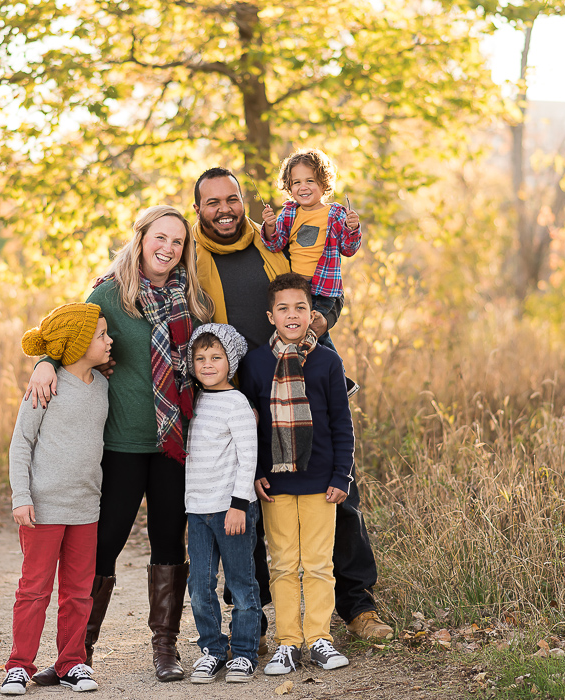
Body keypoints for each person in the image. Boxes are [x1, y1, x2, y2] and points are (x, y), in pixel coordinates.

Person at [191, 167, 394, 643]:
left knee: (339, 493)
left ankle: (358, 606)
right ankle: (255, 616)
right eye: (212, 202)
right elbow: (135, 272)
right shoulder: (191, 258)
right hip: (240, 395)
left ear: (243, 200)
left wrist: (321, 322)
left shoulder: (272, 238)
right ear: (198, 208)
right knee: (249, 503)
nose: (224, 209)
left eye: (231, 199)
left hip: (306, 381)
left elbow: (324, 284)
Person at [24, 205, 214, 684]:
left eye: (177, 242)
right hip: (122, 443)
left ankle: (165, 649)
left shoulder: (191, 299)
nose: (168, 248)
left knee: (169, 541)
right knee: (102, 545)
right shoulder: (109, 294)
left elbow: (212, 352)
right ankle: (77, 652)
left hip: (174, 442)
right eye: (160, 238)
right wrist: (44, 362)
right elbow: (69, 331)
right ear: (141, 237)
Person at [239, 273, 354, 675]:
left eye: (301, 308)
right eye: (284, 308)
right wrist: (253, 472)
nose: (292, 315)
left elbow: (342, 422)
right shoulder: (254, 363)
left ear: (312, 314)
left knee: (319, 564)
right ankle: (288, 642)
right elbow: (248, 426)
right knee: (284, 564)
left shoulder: (327, 360)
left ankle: (319, 638)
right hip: (276, 483)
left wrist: (342, 475)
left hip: (322, 482)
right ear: (271, 316)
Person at [1, 303, 113, 695]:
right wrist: (21, 496)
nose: (109, 340)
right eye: (101, 335)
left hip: (86, 508)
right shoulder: (45, 385)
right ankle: (19, 665)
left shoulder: (102, 387)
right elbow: (21, 444)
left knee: (79, 593)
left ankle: (72, 663)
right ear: (79, 343)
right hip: (43, 509)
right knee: (34, 590)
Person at [183, 323, 261, 684]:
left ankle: (244, 652)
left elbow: (248, 457)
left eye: (216, 357)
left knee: (241, 584)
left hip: (231, 510)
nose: (208, 364)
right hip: (197, 511)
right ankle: (213, 649)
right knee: (199, 586)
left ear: (231, 361)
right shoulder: (194, 402)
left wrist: (239, 505)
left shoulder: (237, 403)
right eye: (200, 358)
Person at [260, 148, 361, 353]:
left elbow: (348, 249)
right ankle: (302, 372)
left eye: (310, 181)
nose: (303, 187)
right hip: (297, 289)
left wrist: (352, 229)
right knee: (299, 335)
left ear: (323, 185)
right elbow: (276, 244)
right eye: (296, 182)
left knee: (314, 331)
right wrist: (270, 226)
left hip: (323, 289)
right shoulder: (289, 212)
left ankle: (337, 374)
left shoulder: (335, 213)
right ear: (289, 187)